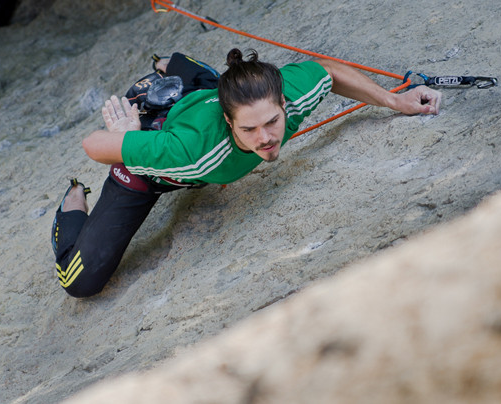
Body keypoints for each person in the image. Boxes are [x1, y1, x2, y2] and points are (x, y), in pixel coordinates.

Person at [51, 48, 441, 298]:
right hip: (149, 167)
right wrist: (129, 138)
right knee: (79, 282)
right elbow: (93, 144)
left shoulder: (286, 97)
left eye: (272, 122)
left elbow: (326, 71)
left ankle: (183, 70)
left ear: (284, 103)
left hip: (207, 104)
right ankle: (73, 196)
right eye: (250, 130)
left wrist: (395, 100)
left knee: (222, 88)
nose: (268, 138)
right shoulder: (189, 150)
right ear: (229, 121)